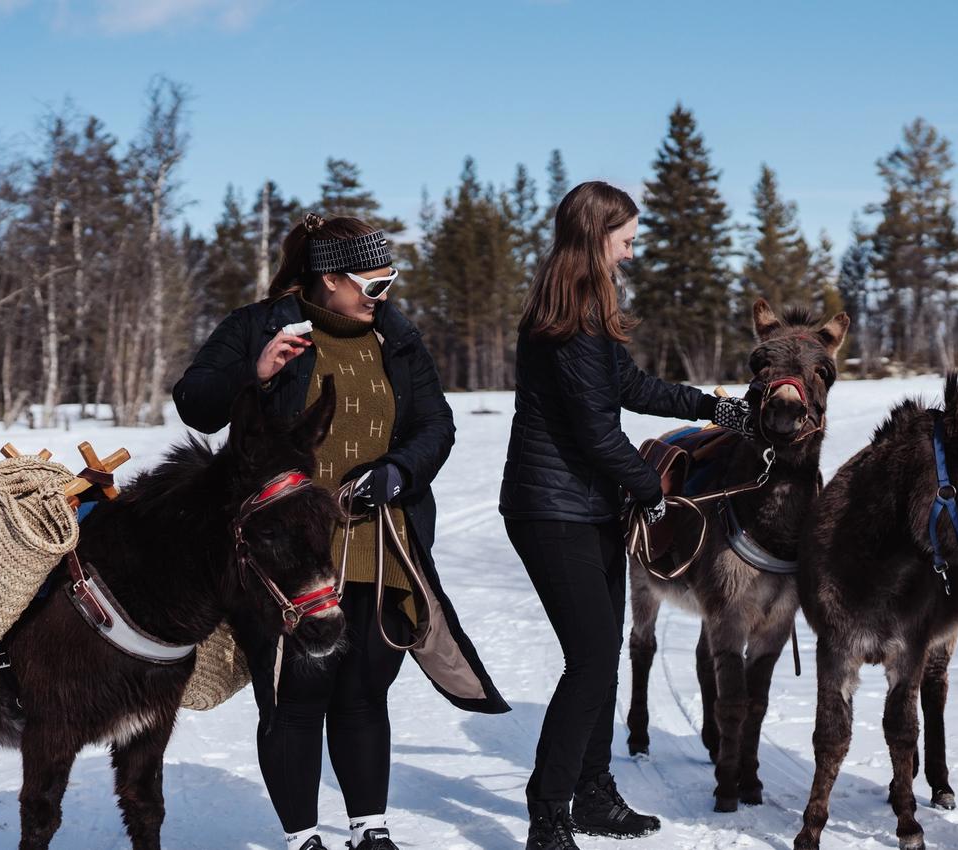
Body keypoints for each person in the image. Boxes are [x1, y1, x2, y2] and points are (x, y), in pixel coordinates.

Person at [174, 213, 508, 850]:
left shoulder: (396, 339)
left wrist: (399, 471)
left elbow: (437, 426)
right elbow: (195, 401)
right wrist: (258, 371)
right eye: (372, 286)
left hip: (380, 544)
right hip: (287, 555)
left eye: (390, 284)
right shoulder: (259, 326)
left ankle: (369, 829)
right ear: (329, 279)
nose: (383, 298)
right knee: (296, 696)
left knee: (363, 691)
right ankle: (303, 837)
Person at [499, 181, 752, 850]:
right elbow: (592, 430)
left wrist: (713, 408)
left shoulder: (589, 307)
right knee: (588, 660)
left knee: (602, 658)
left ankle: (592, 793)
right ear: (596, 235)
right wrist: (649, 487)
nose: (632, 253)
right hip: (549, 508)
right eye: (627, 240)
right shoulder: (571, 315)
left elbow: (631, 389)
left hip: (582, 506)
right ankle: (549, 813)